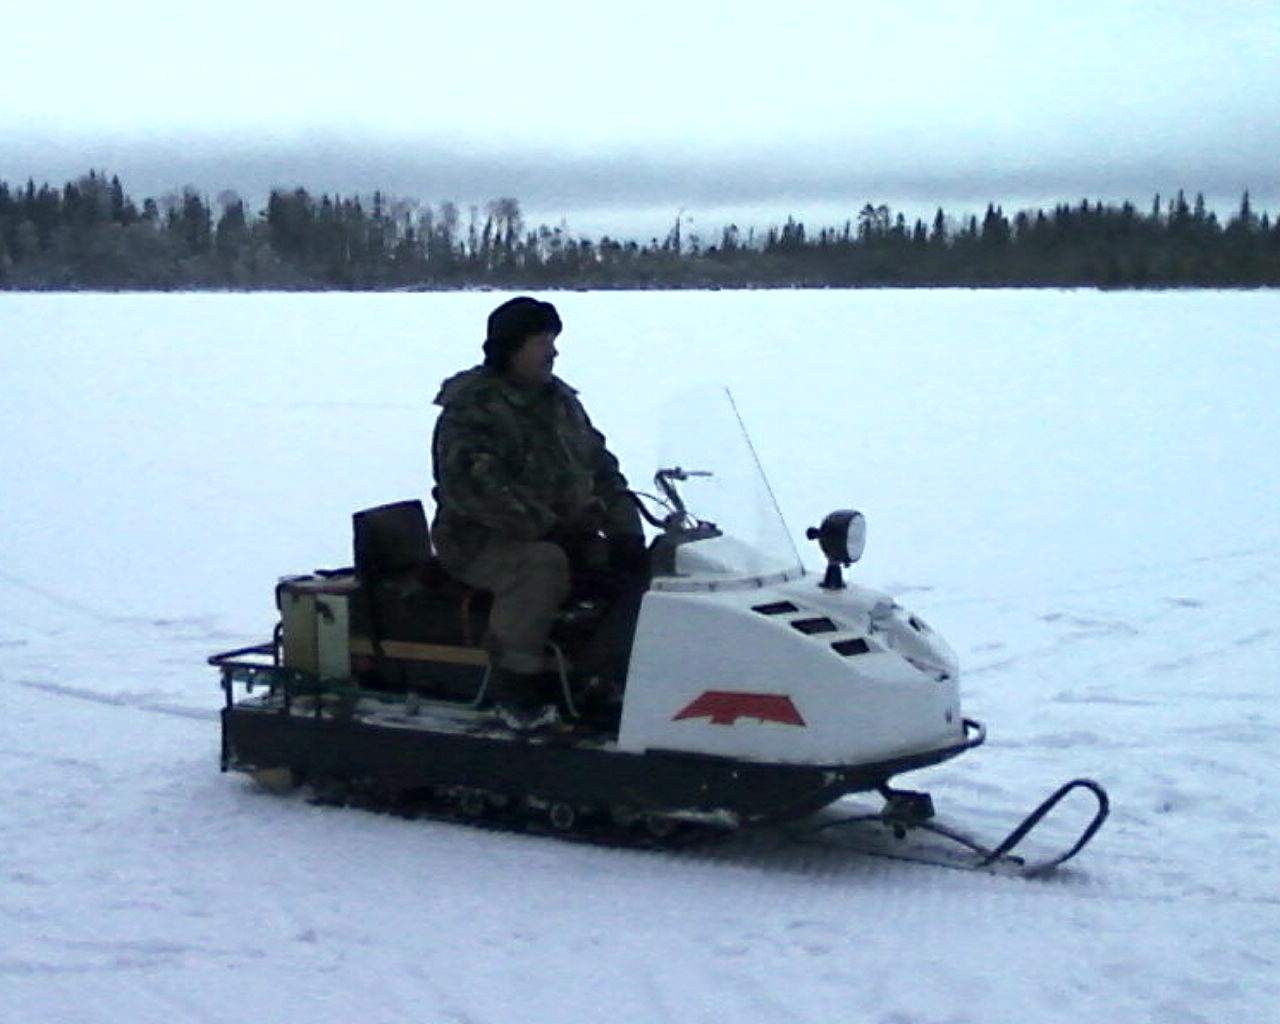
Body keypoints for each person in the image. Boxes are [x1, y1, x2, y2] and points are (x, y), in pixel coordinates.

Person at [430, 296, 645, 730]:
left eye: (553, 341)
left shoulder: (560, 402)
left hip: (562, 531)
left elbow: (600, 464)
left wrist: (626, 531)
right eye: (542, 342)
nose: (554, 352)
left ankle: (604, 675)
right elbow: (475, 488)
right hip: (478, 540)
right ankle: (516, 688)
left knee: (637, 571)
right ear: (511, 347)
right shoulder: (474, 407)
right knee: (541, 566)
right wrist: (548, 528)